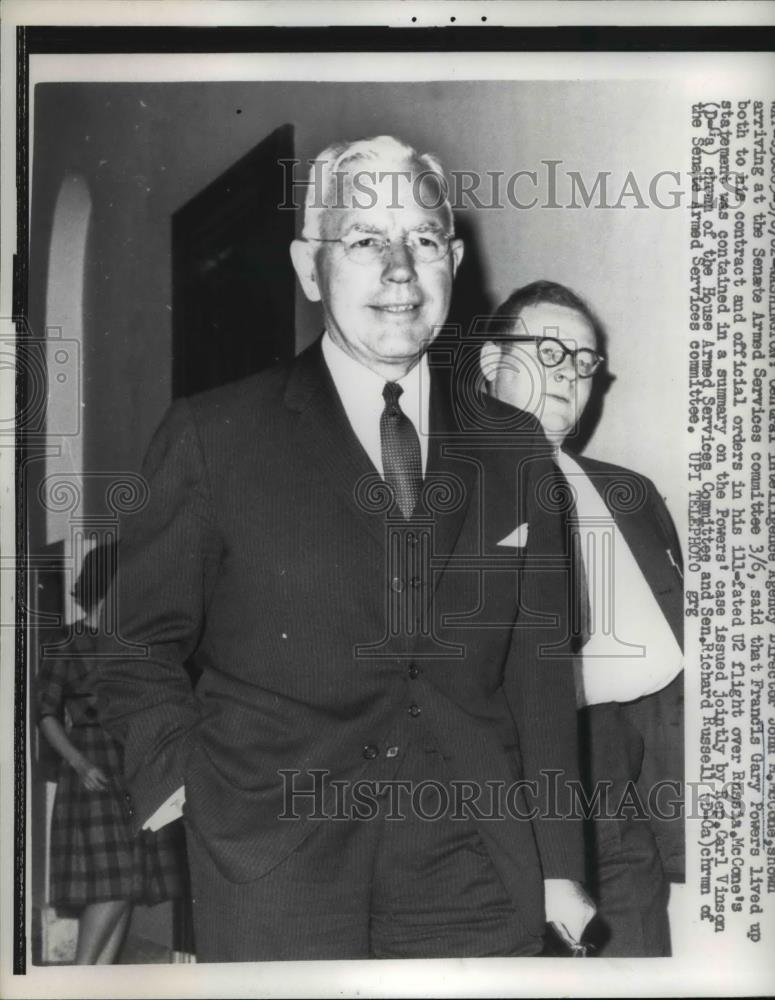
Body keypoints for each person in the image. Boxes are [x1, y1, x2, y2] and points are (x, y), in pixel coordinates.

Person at [92, 136, 594, 962]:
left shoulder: (514, 448)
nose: (399, 270)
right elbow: (132, 646)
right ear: (309, 267)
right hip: (274, 860)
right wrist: (183, 783)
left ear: (452, 262)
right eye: (364, 240)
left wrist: (559, 865)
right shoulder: (212, 436)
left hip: (474, 865)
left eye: (422, 240)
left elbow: (537, 676)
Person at [480, 279, 684, 956]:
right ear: (490, 364)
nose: (569, 373)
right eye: (548, 351)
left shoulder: (630, 494)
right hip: (500, 796)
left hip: (616, 790)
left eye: (584, 360)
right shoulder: (439, 485)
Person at [36, 542, 184, 964]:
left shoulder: (132, 644)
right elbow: (45, 715)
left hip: (131, 767)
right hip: (92, 766)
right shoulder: (66, 641)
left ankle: (96, 982)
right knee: (115, 882)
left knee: (128, 883)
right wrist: (80, 764)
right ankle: (81, 977)